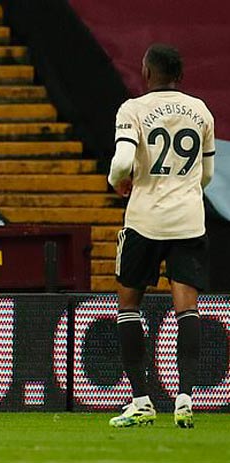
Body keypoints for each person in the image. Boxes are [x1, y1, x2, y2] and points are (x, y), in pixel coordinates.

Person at [107, 43, 215, 428]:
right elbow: (206, 176)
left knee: (129, 307)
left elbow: (122, 162)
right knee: (187, 308)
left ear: (147, 72)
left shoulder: (133, 109)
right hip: (189, 220)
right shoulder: (201, 110)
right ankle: (186, 398)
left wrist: (118, 181)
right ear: (179, 76)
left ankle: (141, 401)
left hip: (146, 220)